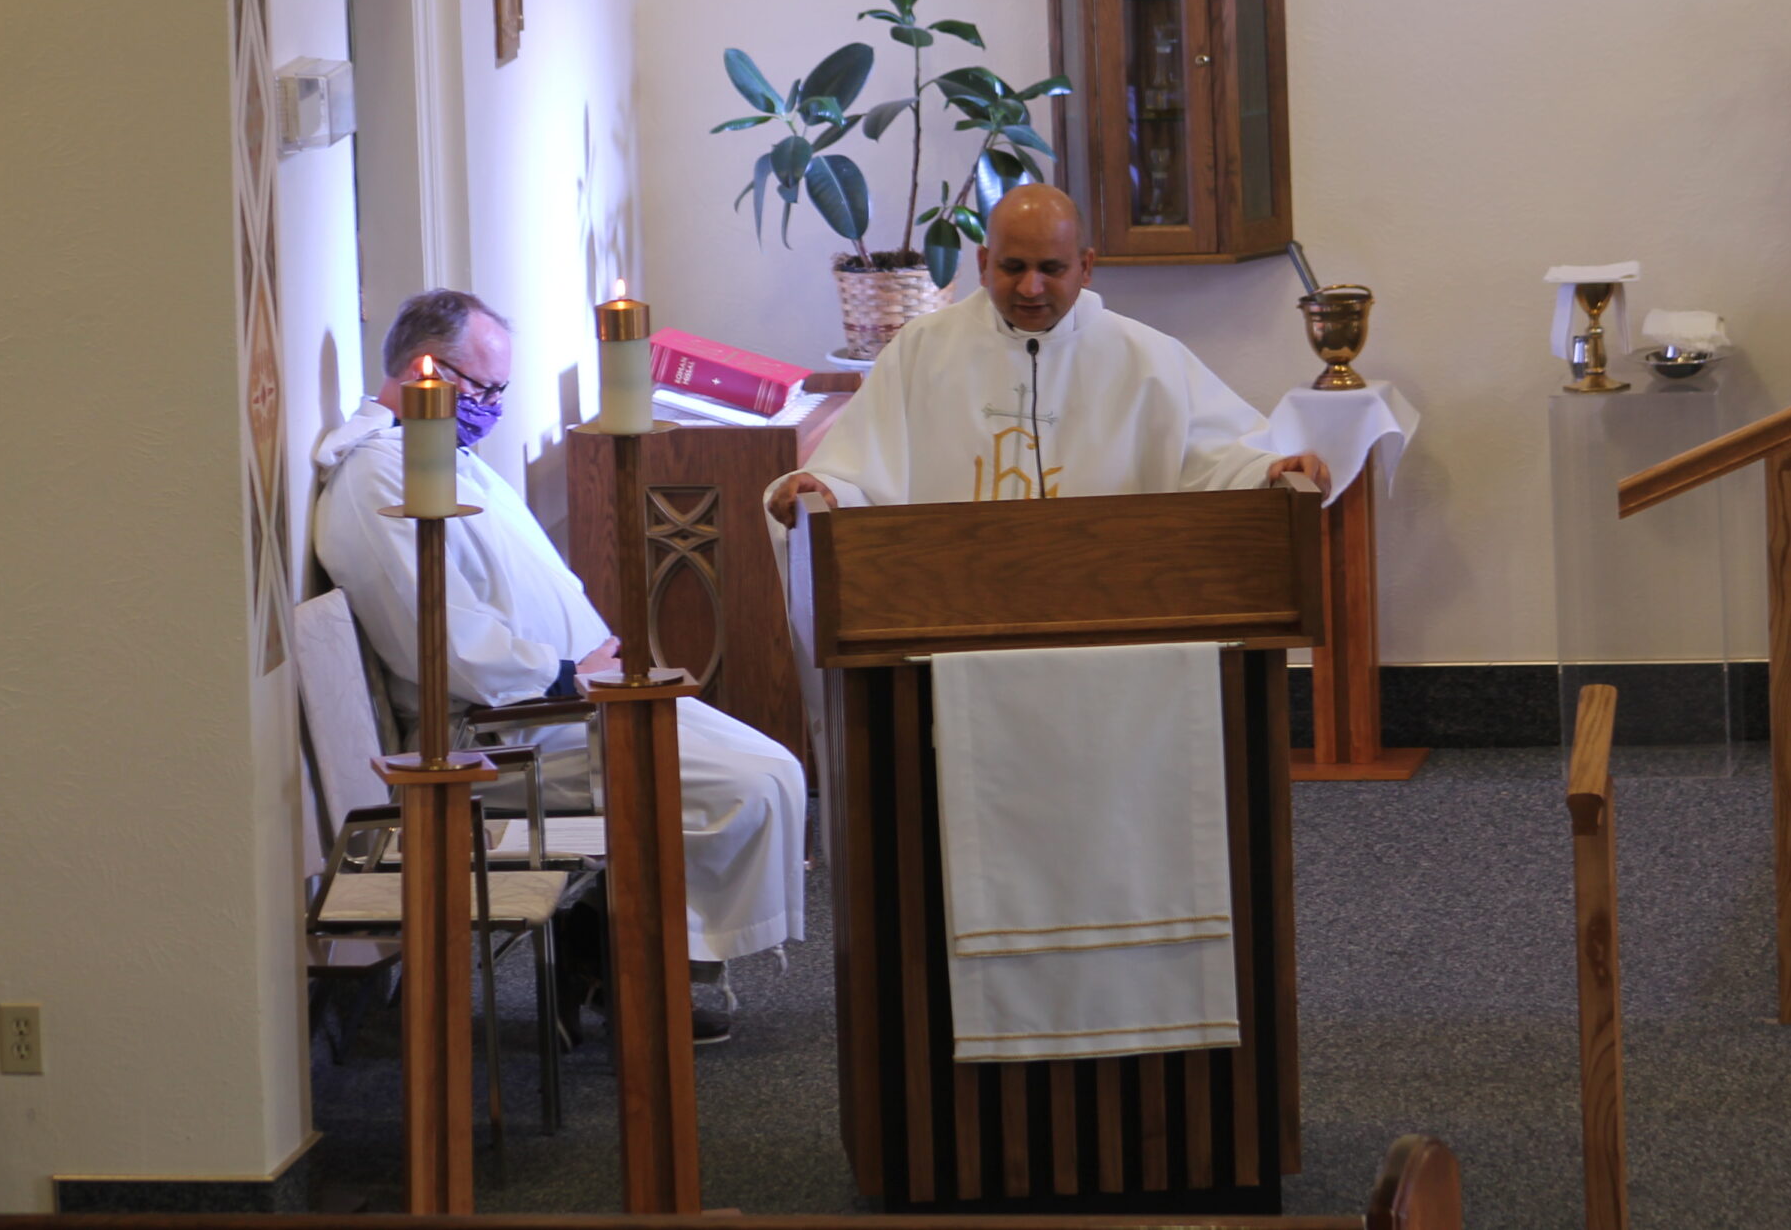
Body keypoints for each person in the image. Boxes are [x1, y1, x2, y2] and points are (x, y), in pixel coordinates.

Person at [316, 289, 806, 1029]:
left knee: (774, 766)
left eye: (500, 391)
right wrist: (564, 675)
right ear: (429, 370)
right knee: (751, 782)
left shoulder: (451, 457)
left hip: (574, 702)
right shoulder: (379, 475)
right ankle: (636, 971)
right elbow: (441, 636)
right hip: (504, 730)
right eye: (482, 388)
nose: (492, 407)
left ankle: (626, 955)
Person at [768, 184, 1322, 525]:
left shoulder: (1146, 358)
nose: (1031, 288)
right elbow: (858, 474)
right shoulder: (922, 350)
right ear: (984, 263)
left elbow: (1221, 458)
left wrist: (1269, 470)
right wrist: (827, 490)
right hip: (953, 607)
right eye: (1013, 267)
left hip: (1115, 606)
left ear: (1086, 266)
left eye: (1052, 269)